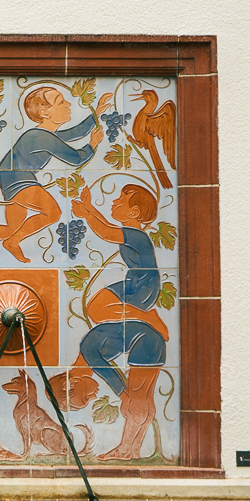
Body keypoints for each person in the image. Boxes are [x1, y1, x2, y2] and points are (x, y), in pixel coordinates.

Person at [70, 183, 168, 460]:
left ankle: (146, 316)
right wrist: (89, 208)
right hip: (137, 286)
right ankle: (130, 449)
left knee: (96, 306)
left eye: (119, 200)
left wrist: (88, 214)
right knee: (143, 398)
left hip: (141, 288)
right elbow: (106, 227)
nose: (112, 203)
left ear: (134, 211)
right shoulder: (134, 234)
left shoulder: (136, 235)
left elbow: (104, 231)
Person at [0, 86, 108, 263]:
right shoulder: (42, 137)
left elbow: (76, 133)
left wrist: (96, 113)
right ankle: (13, 242)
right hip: (19, 178)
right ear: (45, 112)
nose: (68, 105)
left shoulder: (44, 134)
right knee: (52, 212)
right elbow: (76, 159)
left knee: (12, 227)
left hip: (9, 177)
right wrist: (92, 144)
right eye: (61, 102)